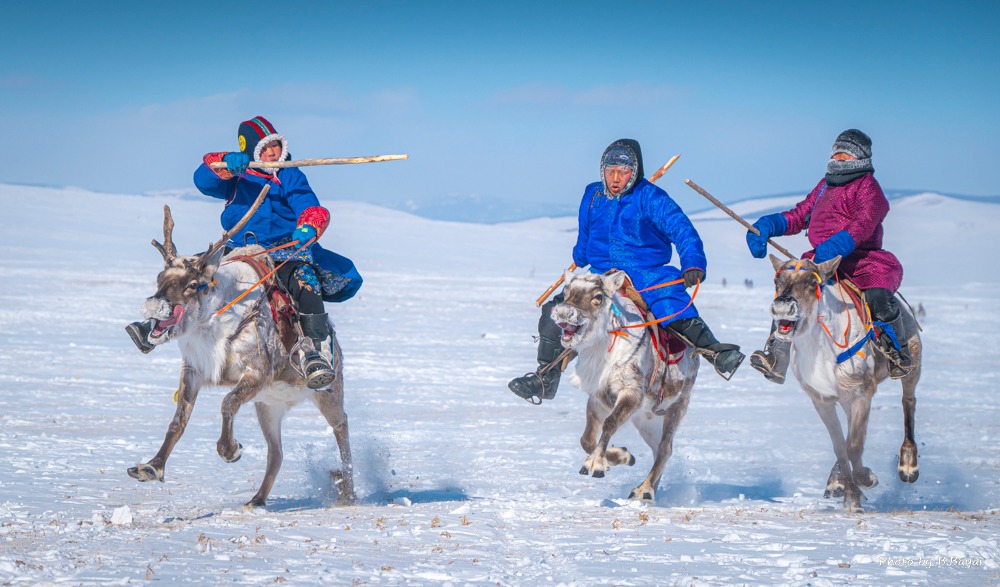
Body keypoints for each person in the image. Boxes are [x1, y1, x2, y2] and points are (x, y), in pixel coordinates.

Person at [125, 116, 363, 389]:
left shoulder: (290, 174)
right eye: (265, 148)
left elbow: (309, 204)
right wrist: (226, 162)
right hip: (239, 250)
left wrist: (309, 225)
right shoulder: (237, 176)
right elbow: (204, 180)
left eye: (276, 145)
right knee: (185, 278)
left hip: (283, 249)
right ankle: (156, 327)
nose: (273, 152)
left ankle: (315, 353)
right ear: (251, 151)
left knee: (304, 282)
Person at [508, 139, 745, 402]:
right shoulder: (592, 195)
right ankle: (545, 378)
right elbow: (585, 236)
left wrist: (693, 263)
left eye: (623, 172)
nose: (616, 178)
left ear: (635, 171)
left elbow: (683, 231)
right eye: (610, 171)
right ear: (602, 171)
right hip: (599, 272)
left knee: (670, 303)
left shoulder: (652, 197)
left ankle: (716, 353)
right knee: (558, 311)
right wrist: (581, 253)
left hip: (644, 270)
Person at [746, 129, 912, 382]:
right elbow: (800, 215)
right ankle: (776, 356)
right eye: (837, 153)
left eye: (846, 155)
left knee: (878, 297)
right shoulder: (825, 186)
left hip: (862, 262)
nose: (838, 159)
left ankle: (897, 354)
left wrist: (833, 247)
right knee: (790, 291)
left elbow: (862, 225)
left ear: (861, 159)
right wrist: (769, 225)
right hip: (819, 260)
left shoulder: (869, 189)